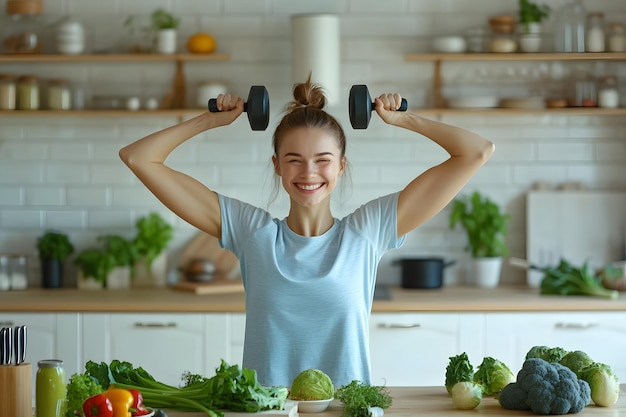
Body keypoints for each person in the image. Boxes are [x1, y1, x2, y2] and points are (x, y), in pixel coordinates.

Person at [119, 76, 494, 387]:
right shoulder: (253, 233)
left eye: (323, 160)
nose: (309, 172)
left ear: (341, 166)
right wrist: (209, 120)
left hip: (349, 411)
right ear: (277, 166)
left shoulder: (368, 230)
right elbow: (138, 157)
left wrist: (404, 120)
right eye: (294, 160)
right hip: (269, 413)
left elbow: (477, 151)